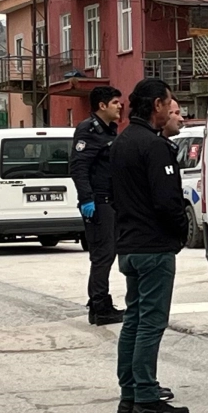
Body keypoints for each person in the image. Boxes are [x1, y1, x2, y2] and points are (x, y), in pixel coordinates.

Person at [110, 78, 190, 413]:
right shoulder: (155, 147)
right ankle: (146, 395)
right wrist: (180, 233)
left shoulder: (121, 142)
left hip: (128, 243)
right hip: (153, 245)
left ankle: (129, 394)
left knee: (133, 319)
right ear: (157, 104)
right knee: (150, 323)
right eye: (168, 102)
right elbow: (167, 201)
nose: (171, 109)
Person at [70, 86, 124, 326]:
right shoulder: (88, 130)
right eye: (115, 102)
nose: (120, 106)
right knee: (102, 255)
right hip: (98, 201)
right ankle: (99, 306)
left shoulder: (109, 130)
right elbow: (78, 167)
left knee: (108, 253)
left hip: (109, 200)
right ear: (102, 106)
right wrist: (86, 199)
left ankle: (100, 303)